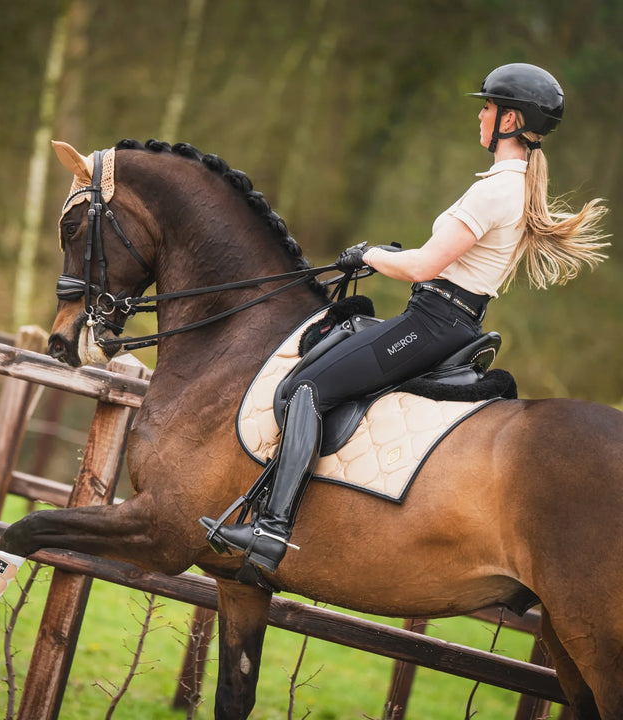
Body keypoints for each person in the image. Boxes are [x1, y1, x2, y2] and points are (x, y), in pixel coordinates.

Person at [201, 62, 609, 573]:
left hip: (433, 323)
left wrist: (369, 254)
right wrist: (381, 256)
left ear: (508, 120)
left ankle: (269, 530)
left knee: (307, 387)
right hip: (451, 318)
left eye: (486, 106)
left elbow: (424, 266)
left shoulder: (495, 190)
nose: (479, 116)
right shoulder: (516, 187)